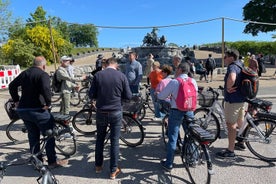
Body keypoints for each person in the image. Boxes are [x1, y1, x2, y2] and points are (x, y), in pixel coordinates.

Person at [8, 56, 68, 168]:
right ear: (44, 65)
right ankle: (52, 162)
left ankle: (37, 162)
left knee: (33, 136)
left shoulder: (25, 73)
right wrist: (48, 103)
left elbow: (11, 85)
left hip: (24, 110)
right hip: (37, 110)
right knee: (49, 135)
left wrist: (16, 100)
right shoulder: (42, 74)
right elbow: (46, 90)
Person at [89, 57, 132, 179]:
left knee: (99, 139)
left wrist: (99, 97)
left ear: (106, 65)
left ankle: (98, 166)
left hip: (101, 111)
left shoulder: (98, 75)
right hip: (115, 111)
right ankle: (113, 170)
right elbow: (128, 96)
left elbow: (91, 94)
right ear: (115, 64)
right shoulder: (121, 76)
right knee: (114, 141)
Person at [157, 62, 198, 171]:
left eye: (176, 69)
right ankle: (193, 159)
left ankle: (169, 163)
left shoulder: (174, 82)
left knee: (173, 137)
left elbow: (162, 96)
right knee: (190, 135)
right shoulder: (193, 81)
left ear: (180, 69)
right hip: (189, 110)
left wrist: (160, 95)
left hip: (176, 111)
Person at [216, 49, 246, 159]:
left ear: (231, 57)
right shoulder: (240, 64)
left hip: (233, 100)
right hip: (241, 98)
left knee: (231, 125)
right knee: (240, 122)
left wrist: (228, 88)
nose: (224, 59)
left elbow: (232, 78)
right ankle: (241, 142)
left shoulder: (233, 66)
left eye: (225, 57)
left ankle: (230, 150)